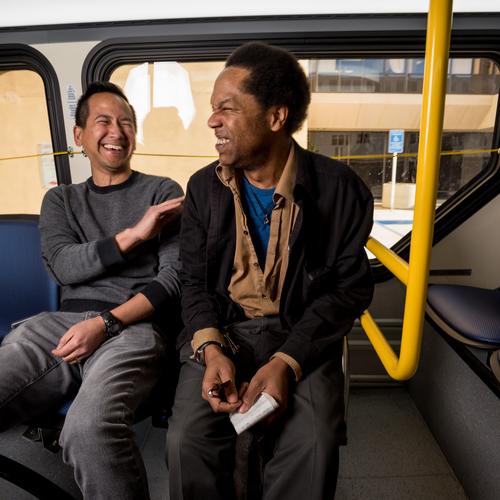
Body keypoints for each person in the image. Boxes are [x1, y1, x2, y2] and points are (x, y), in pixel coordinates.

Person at [166, 42, 374, 500]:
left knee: (314, 442)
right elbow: (194, 284)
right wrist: (211, 350)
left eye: (227, 109)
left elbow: (347, 291)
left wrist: (287, 361)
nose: (212, 121)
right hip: (225, 331)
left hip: (301, 333)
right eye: (212, 109)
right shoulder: (203, 189)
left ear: (277, 117)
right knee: (186, 442)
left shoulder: (340, 191)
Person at [0, 81, 183, 499]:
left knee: (87, 429)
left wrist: (105, 323)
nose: (116, 132)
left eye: (126, 122)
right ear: (79, 135)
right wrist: (134, 236)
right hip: (58, 327)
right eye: (104, 121)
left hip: (132, 327)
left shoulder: (162, 192)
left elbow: (172, 282)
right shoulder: (61, 200)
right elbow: (64, 266)